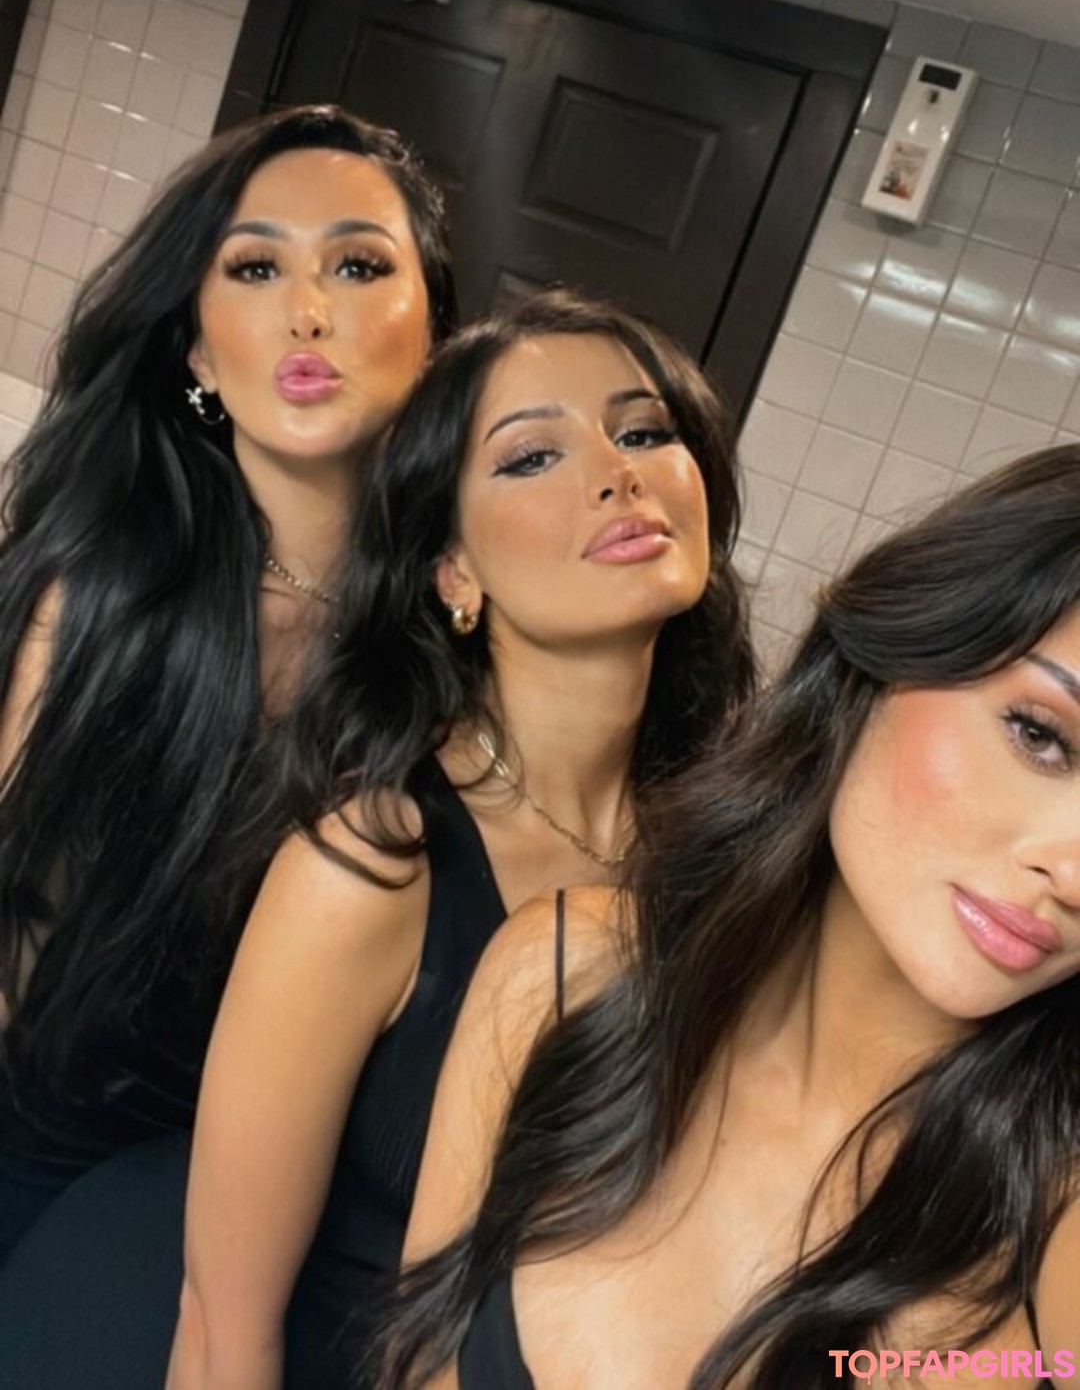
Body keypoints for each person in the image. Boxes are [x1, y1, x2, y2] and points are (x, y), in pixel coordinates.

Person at [141, 288, 748, 1390]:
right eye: (532, 456)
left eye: (645, 432)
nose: (616, 474)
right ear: (452, 571)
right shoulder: (370, 868)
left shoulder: (729, 846)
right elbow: (220, 1322)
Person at [381, 445, 1080, 1390]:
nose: (1072, 871)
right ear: (889, 653)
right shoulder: (564, 975)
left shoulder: (1056, 1234)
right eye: (1041, 736)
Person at [0, 101, 455, 1261]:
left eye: (359, 264)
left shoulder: (459, 637)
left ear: (434, 331)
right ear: (198, 349)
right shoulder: (106, 591)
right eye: (255, 267)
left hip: (295, 1228)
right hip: (45, 1147)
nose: (308, 309)